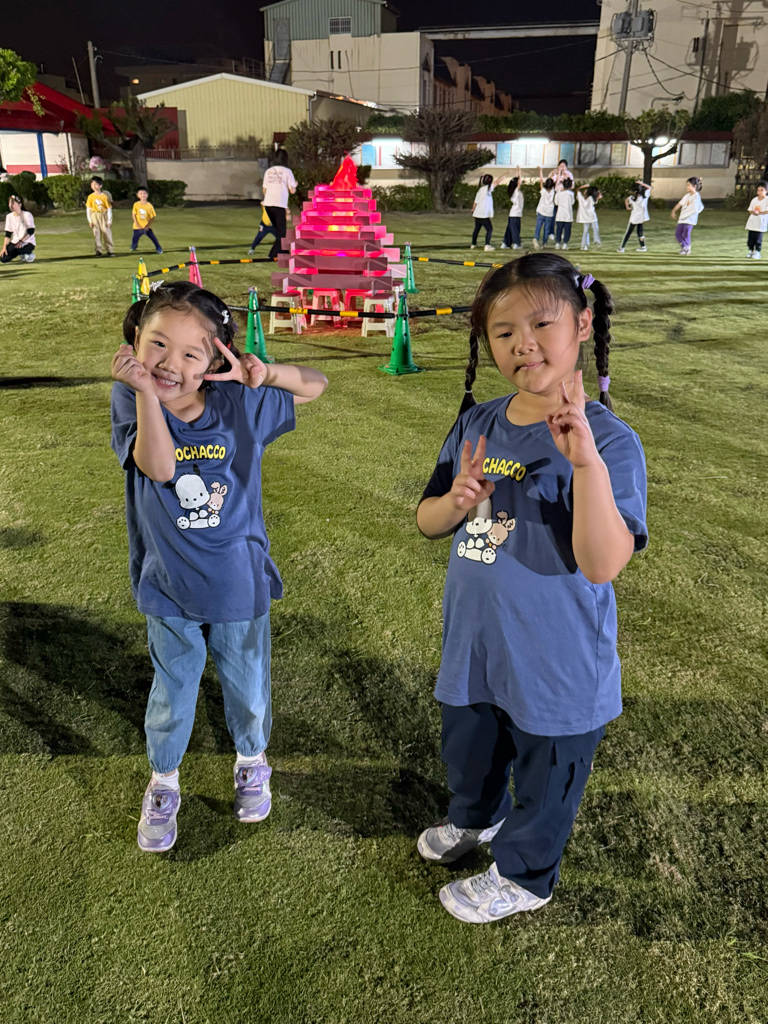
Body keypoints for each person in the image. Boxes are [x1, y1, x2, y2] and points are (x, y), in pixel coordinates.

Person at [415, 253, 647, 924]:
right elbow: (428, 520)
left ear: (582, 323)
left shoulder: (611, 443)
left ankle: (525, 875)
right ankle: (476, 818)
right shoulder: (478, 422)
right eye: (504, 331)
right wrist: (457, 501)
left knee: (547, 777)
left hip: (557, 660)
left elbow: (602, 564)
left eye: (541, 324)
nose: (523, 343)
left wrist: (585, 464)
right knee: (471, 750)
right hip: (477, 644)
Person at [110, 281, 328, 852]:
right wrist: (144, 393)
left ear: (214, 362)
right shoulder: (131, 396)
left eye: (192, 353)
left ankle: (252, 761)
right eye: (158, 344)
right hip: (169, 585)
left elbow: (316, 385)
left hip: (239, 582)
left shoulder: (240, 402)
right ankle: (163, 780)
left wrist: (267, 374)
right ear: (136, 339)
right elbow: (159, 467)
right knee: (172, 690)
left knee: (247, 685)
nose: (169, 363)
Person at [262, 149, 297, 261]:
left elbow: (264, 190)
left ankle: (283, 250)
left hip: (268, 204)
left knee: (278, 230)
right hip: (279, 203)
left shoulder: (268, 171)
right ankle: (273, 254)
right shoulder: (287, 171)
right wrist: (295, 185)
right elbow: (292, 190)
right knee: (282, 231)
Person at [470, 173, 505, 251]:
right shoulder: (487, 189)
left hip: (477, 214)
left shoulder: (480, 190)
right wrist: (505, 174)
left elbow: (475, 202)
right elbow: (497, 182)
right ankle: (487, 245)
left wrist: (473, 209)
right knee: (489, 229)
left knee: (477, 229)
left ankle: (473, 244)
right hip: (483, 214)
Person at [670, 177, 704, 256]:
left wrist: (689, 213)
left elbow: (696, 208)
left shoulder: (696, 196)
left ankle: (687, 248)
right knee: (678, 234)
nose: (687, 187)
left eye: (688, 185)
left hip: (690, 219)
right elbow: (680, 204)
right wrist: (673, 211)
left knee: (686, 234)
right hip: (682, 218)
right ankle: (684, 247)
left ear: (694, 186)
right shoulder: (687, 196)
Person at [1, 194, 36, 264]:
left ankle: (29, 255)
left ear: (20, 204)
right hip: (15, 242)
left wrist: (21, 241)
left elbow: (31, 230)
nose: (11, 205)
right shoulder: (9, 217)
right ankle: (21, 254)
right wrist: (4, 247)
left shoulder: (27, 215)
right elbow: (8, 234)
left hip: (27, 242)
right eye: (10, 203)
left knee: (20, 249)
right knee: (3, 258)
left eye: (13, 203)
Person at [617, 181, 651, 253]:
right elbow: (649, 188)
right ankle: (643, 247)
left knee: (628, 233)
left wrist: (627, 207)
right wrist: (642, 183)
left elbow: (626, 200)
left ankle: (622, 247)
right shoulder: (644, 197)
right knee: (640, 232)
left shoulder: (632, 198)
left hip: (634, 218)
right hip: (641, 217)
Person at [86, 176, 115, 257]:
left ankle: (110, 250)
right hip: (95, 215)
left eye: (96, 184)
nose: (94, 186)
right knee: (96, 234)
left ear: (100, 186)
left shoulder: (104, 196)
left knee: (107, 233)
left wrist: (109, 220)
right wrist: (90, 220)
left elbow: (109, 209)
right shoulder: (90, 197)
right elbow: (88, 209)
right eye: (92, 184)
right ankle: (98, 250)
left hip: (103, 215)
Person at [131, 186, 163, 254]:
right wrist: (137, 224)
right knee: (135, 238)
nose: (143, 195)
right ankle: (133, 247)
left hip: (146, 227)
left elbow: (152, 217)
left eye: (145, 193)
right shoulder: (136, 204)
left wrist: (147, 226)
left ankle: (158, 248)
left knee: (153, 238)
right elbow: (134, 215)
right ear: (138, 195)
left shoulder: (149, 206)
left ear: (147, 195)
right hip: (137, 227)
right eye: (141, 194)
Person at [500, 168, 524, 250]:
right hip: (515, 214)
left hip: (514, 214)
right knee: (515, 230)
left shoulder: (514, 192)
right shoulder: (516, 192)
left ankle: (506, 243)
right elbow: (519, 181)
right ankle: (516, 244)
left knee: (510, 230)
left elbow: (518, 181)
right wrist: (519, 170)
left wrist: (517, 172)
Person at [744, 180, 768, 260]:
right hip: (752, 222)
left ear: (766, 191)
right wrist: (753, 212)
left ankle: (757, 252)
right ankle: (750, 251)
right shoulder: (754, 199)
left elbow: (767, 211)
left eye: (762, 190)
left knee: (758, 239)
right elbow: (750, 209)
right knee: (751, 238)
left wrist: (759, 213)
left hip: (761, 223)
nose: (759, 192)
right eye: (758, 190)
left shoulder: (766, 200)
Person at [532, 170, 556, 249]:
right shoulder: (552, 192)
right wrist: (554, 174)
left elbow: (541, 180)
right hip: (549, 213)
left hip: (541, 211)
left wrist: (540, 171)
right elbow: (552, 182)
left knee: (538, 227)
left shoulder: (543, 191)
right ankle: (544, 243)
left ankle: (536, 238)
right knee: (547, 229)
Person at [576, 184, 600, 250]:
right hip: (592, 216)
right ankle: (596, 240)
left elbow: (577, 190)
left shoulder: (581, 198)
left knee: (585, 231)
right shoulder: (591, 198)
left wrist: (583, 186)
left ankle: (584, 245)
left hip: (585, 217)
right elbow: (597, 197)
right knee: (595, 228)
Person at [553, 178, 575, 250]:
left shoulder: (558, 193)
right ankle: (565, 243)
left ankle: (557, 243)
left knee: (559, 230)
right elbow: (572, 202)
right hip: (568, 215)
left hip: (560, 214)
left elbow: (556, 203)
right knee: (567, 230)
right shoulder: (571, 194)